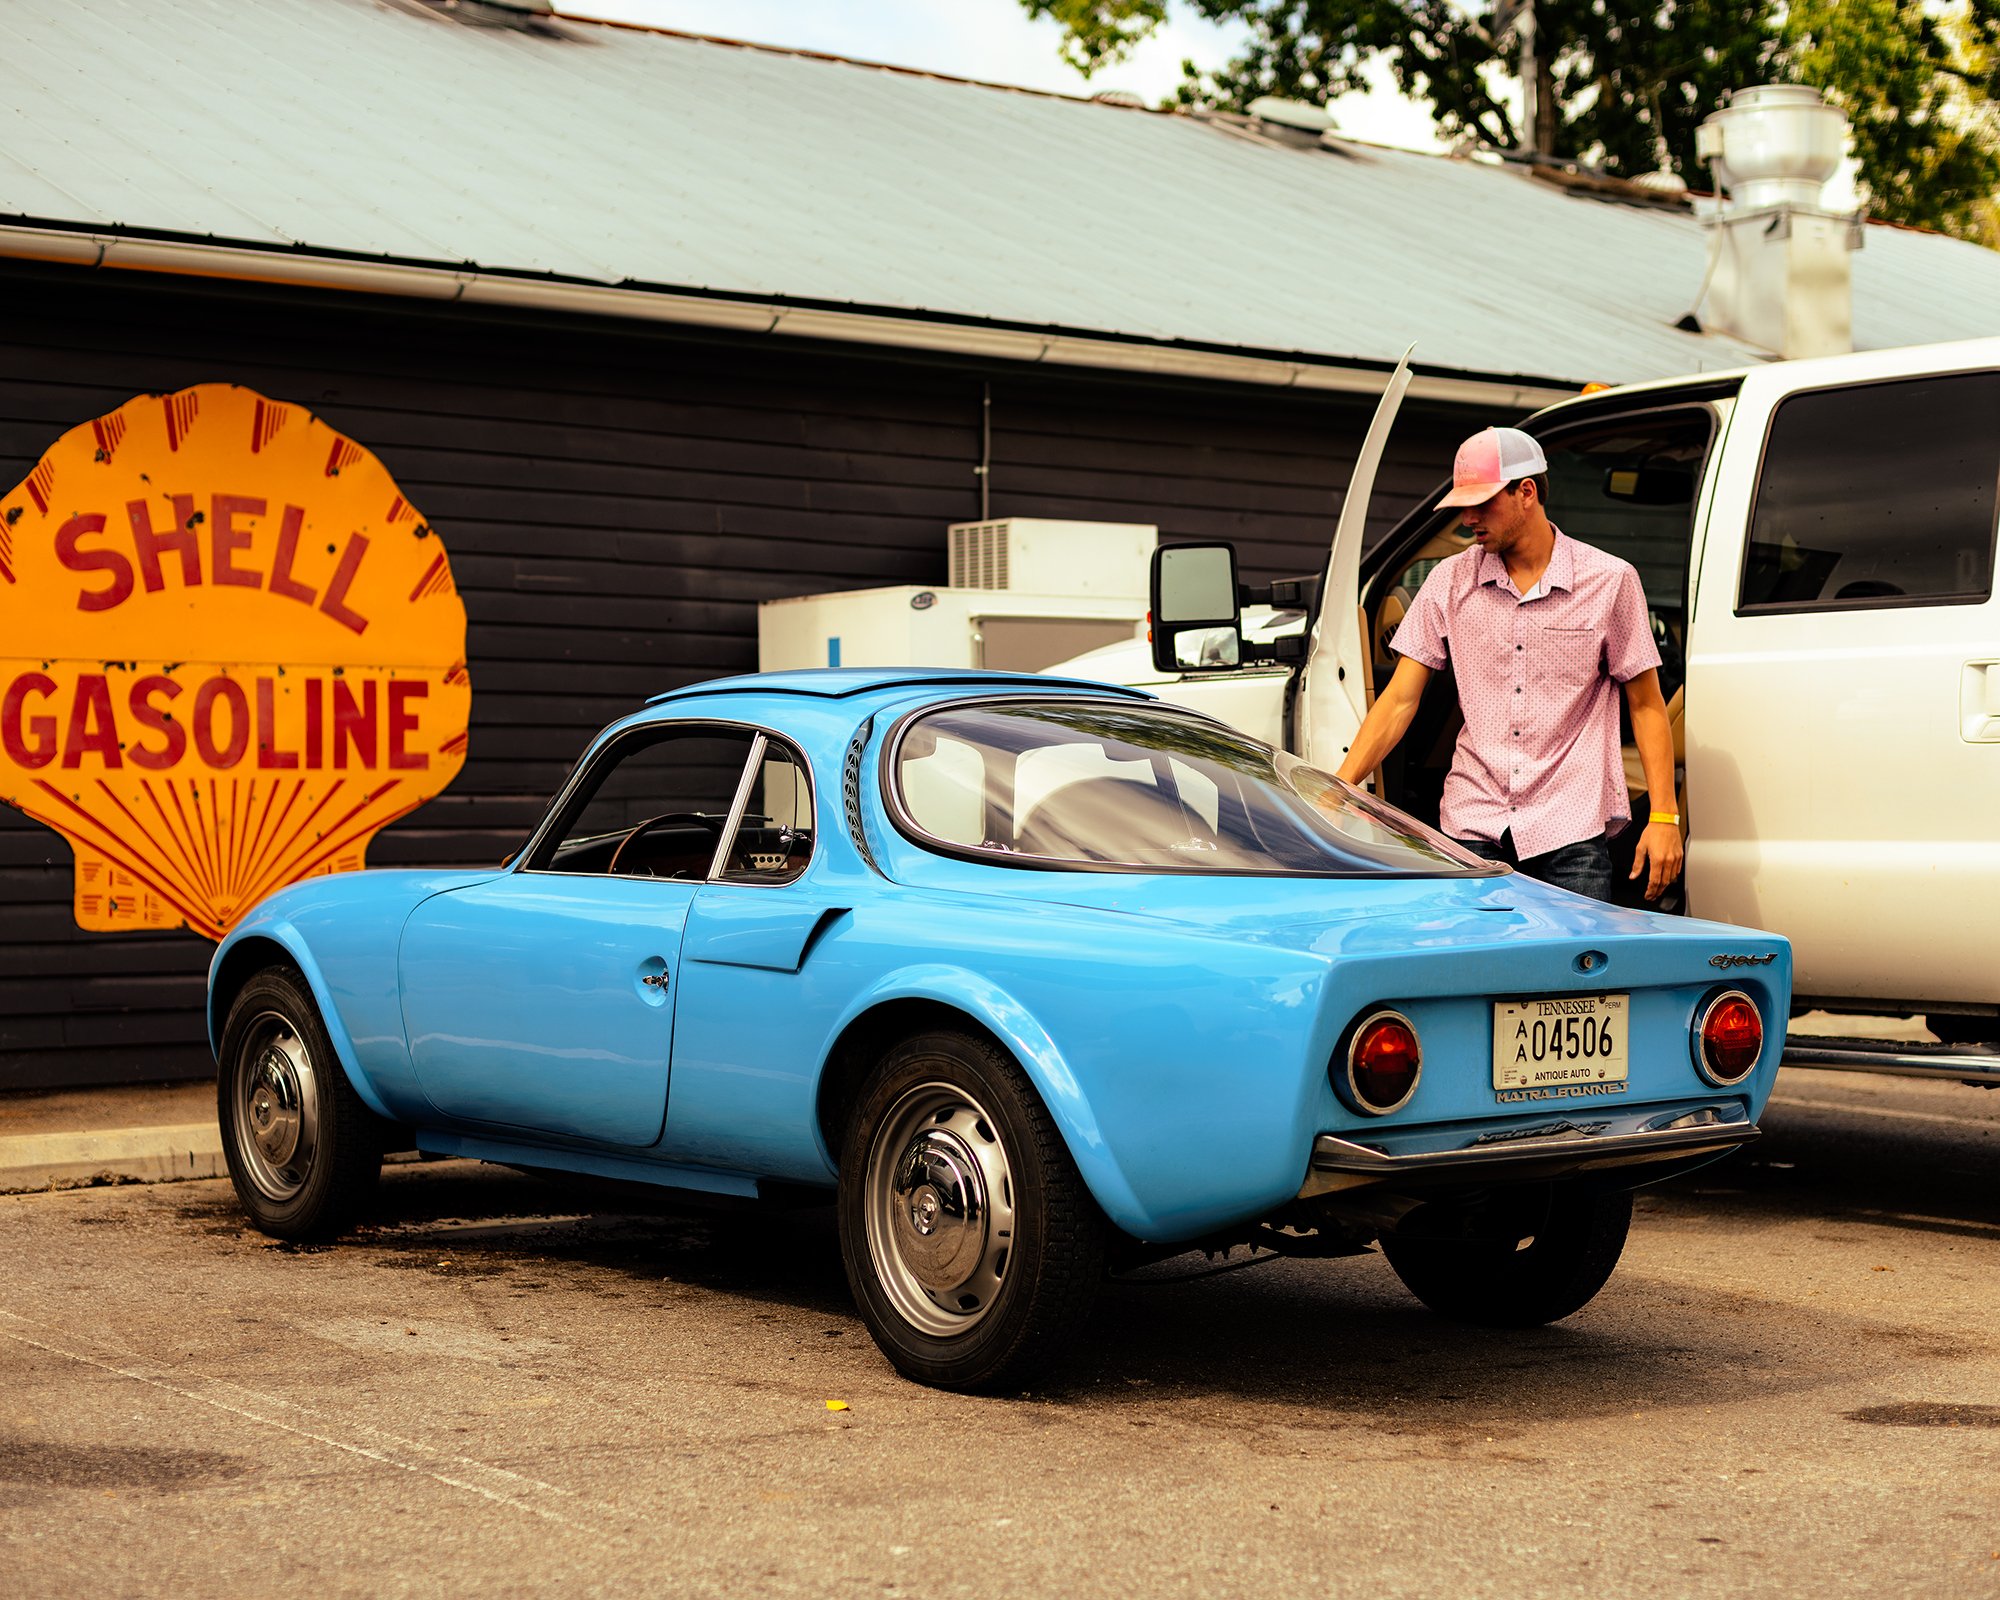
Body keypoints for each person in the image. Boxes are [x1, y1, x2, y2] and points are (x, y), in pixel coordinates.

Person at [1334, 426, 1684, 903]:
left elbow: (1645, 704)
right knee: (1469, 953)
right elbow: (1398, 699)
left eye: (1482, 503)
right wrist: (1339, 788)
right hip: (1470, 827)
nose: (1468, 519)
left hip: (1569, 833)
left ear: (1527, 492)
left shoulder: (1610, 580)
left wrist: (1664, 818)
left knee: (1573, 956)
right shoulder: (1448, 581)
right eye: (1463, 506)